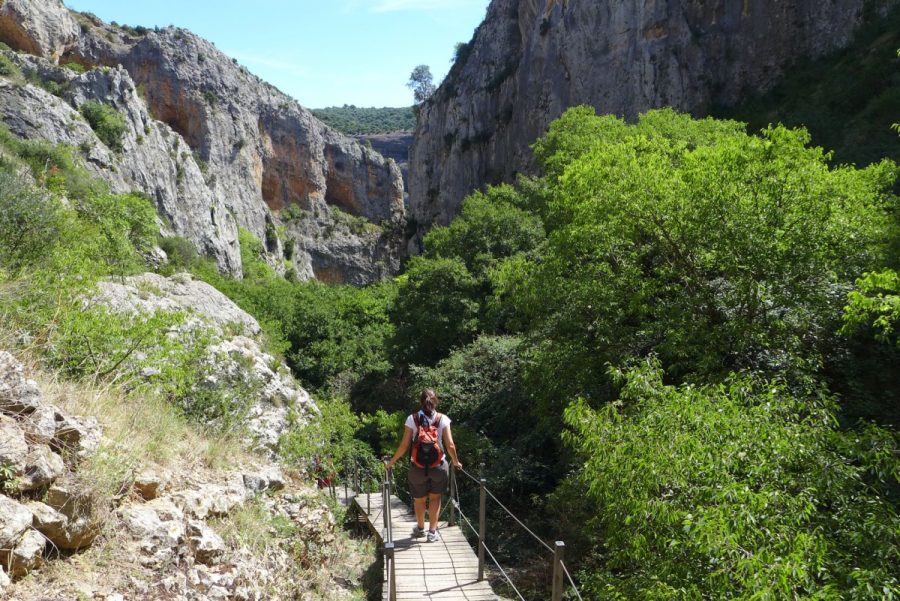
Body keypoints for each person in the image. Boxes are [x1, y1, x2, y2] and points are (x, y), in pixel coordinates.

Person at [385, 388, 462, 542]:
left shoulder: (412, 419)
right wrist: (455, 461)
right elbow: (451, 445)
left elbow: (404, 445)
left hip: (417, 467)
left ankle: (420, 529)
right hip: (438, 466)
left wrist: (391, 462)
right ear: (436, 401)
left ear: (421, 402)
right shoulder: (443, 419)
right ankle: (432, 533)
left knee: (419, 499)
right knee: (435, 498)